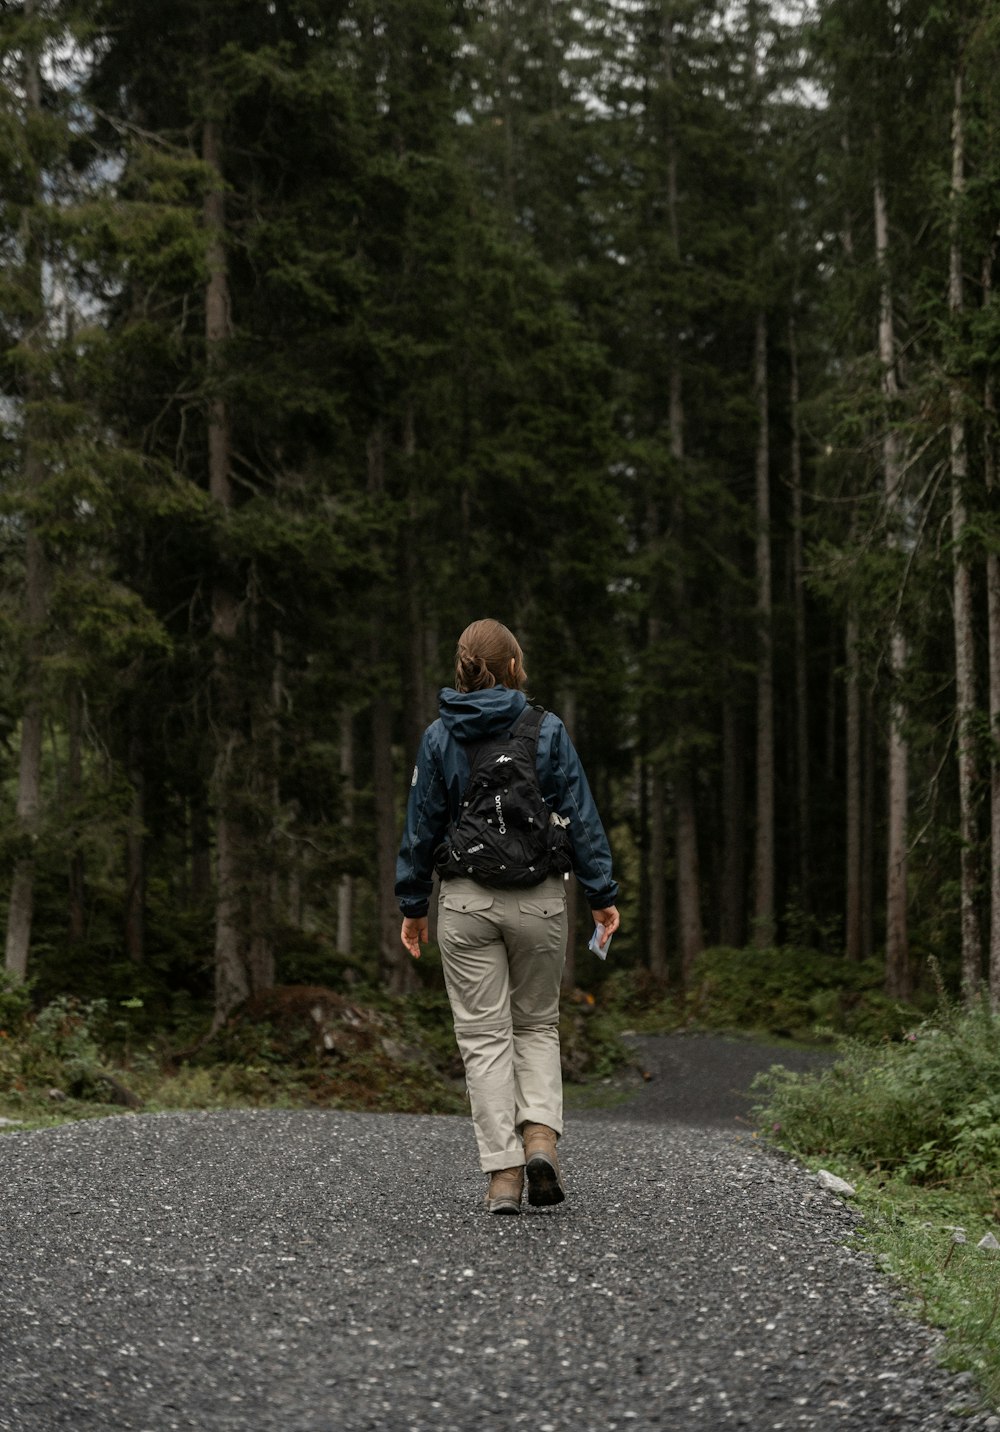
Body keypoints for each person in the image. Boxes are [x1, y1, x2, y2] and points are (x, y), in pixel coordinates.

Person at [395, 618, 620, 1214]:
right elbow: (582, 814)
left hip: (466, 902)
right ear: (515, 667)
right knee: (537, 1025)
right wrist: (603, 895)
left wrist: (413, 907)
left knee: (482, 1038)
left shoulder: (441, 737)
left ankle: (503, 1176)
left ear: (462, 669)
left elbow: (421, 829)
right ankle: (540, 1135)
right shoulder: (545, 730)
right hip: (541, 897)